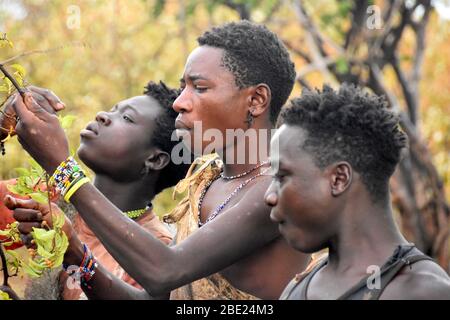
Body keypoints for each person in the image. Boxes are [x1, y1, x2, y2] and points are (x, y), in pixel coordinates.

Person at [7, 21, 309, 300]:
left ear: (256, 100)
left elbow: (165, 271)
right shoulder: (208, 178)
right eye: (184, 87)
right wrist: (78, 256)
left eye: (200, 88)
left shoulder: (277, 189)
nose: (180, 102)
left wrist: (63, 168)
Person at [2, 81, 188, 299]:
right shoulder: (48, 197)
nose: (102, 115)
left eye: (126, 118)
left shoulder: (152, 253)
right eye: (112, 110)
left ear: (155, 159)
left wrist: (61, 167)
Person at [264, 84, 450, 300]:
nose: (269, 196)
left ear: (338, 179)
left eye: (281, 176)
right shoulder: (299, 286)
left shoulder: (422, 291)